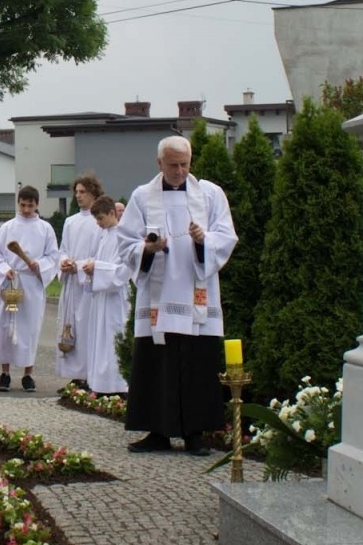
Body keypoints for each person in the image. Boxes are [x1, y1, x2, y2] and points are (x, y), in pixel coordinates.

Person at [117, 135, 237, 456]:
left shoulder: (210, 194)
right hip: (159, 297)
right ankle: (157, 432)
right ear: (160, 163)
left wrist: (203, 240)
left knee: (197, 366)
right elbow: (126, 241)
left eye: (185, 164)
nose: (180, 171)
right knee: (158, 365)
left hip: (197, 295)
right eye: (173, 165)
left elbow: (226, 237)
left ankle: (195, 434)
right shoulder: (142, 196)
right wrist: (149, 247)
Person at [0, 185, 60, 392]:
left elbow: (52, 256)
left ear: (37, 205)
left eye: (30, 205)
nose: (26, 209)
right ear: (18, 203)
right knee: (6, 326)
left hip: (31, 283)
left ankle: (28, 374)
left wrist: (40, 266)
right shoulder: (8, 227)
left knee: (29, 328)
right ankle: (5, 373)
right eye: (23, 205)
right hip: (12, 283)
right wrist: (5, 269)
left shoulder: (45, 229)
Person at [72, 195, 133, 396]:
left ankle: (119, 385)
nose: (98, 224)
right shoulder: (104, 235)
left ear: (112, 213)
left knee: (114, 338)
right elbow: (98, 260)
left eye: (100, 218)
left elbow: (124, 268)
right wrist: (85, 266)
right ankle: (100, 384)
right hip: (101, 297)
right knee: (99, 339)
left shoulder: (123, 236)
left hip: (116, 297)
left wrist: (96, 267)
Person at [55, 174, 105, 389]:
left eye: (83, 192)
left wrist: (80, 265)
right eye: (76, 192)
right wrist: (64, 262)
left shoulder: (99, 221)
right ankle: (74, 375)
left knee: (86, 328)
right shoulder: (70, 221)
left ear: (93, 192)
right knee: (70, 326)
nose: (78, 196)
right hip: (71, 284)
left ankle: (87, 374)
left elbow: (101, 254)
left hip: (88, 284)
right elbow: (63, 249)